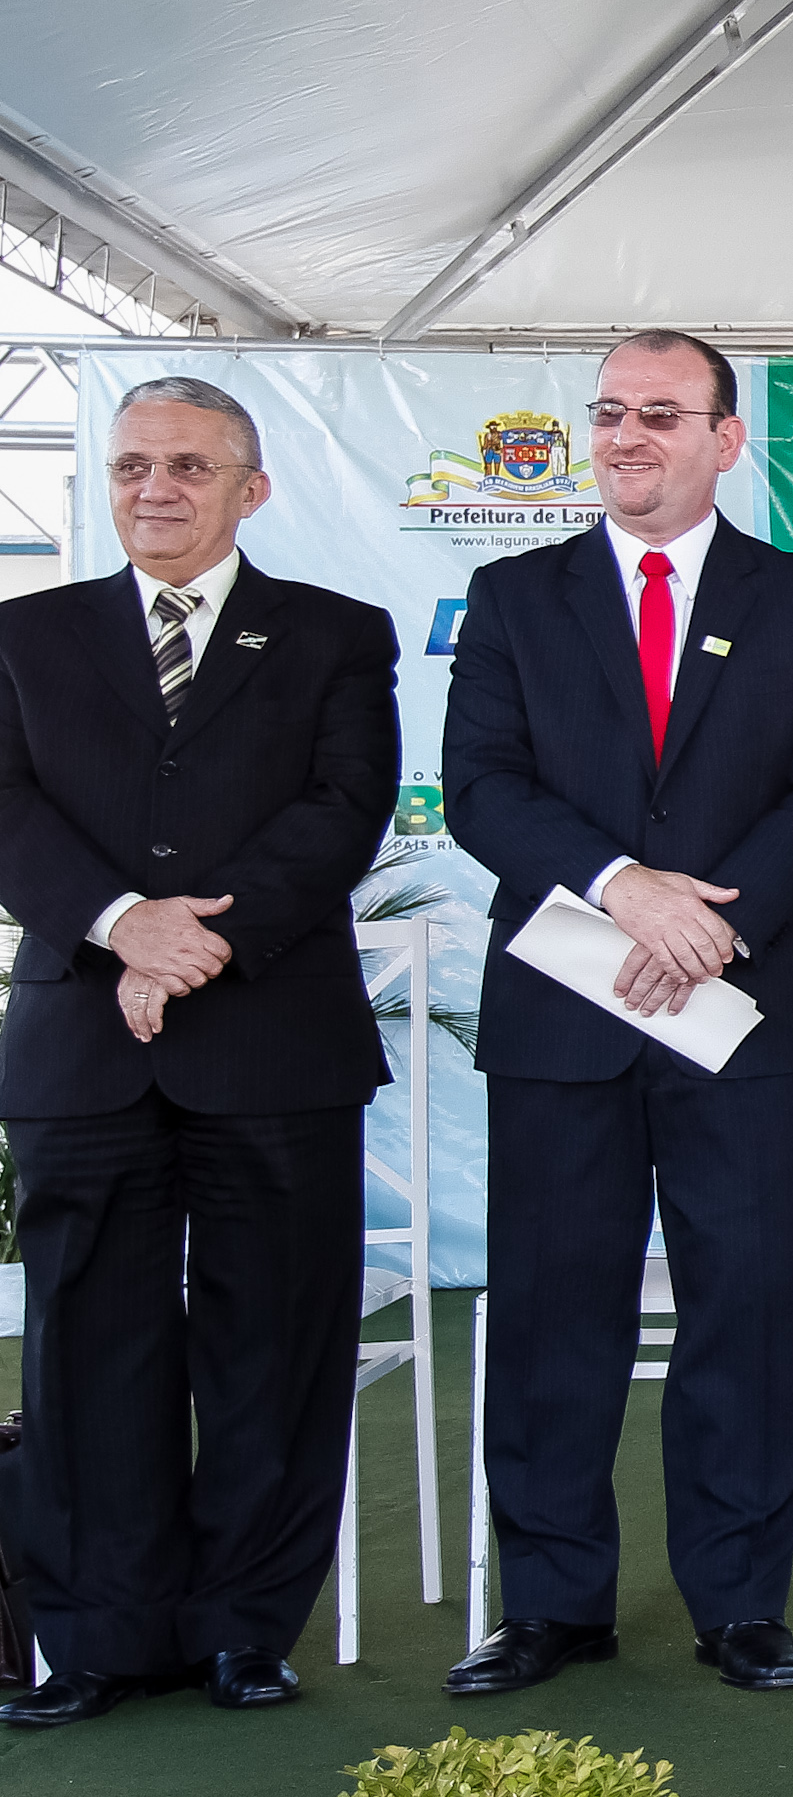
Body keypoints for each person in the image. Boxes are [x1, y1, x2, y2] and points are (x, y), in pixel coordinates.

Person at [441, 331, 793, 1697]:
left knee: (743, 1309)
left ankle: (739, 1599)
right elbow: (481, 788)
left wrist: (722, 924)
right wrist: (627, 888)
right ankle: (553, 1602)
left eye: (662, 413)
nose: (628, 435)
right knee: (554, 1314)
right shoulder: (513, 596)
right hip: (567, 1010)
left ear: (724, 439)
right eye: (611, 411)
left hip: (736, 1012)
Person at [0, 378, 397, 1728]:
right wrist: (121, 925)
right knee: (86, 1349)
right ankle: (102, 1636)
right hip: (81, 1044)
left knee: (272, 1348)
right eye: (129, 468)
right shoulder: (25, 635)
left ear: (252, 488)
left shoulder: (338, 635)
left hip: (272, 1042)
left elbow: (344, 809)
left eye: (185, 465)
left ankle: (243, 1626)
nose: (152, 489)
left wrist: (198, 941)